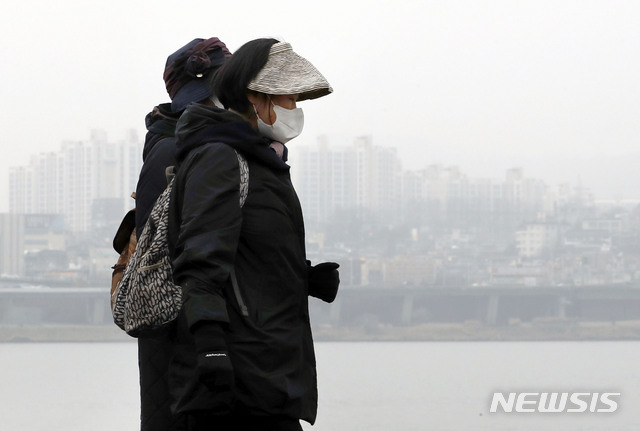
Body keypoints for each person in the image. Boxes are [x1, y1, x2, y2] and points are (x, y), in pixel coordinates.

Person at [166, 38, 340, 431]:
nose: (294, 108)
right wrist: (211, 348)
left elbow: (245, 248)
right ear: (254, 97)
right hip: (236, 382)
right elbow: (200, 261)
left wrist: (302, 275)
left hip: (268, 371)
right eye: (288, 97)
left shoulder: (262, 160)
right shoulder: (220, 158)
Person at [135, 37, 231, 431]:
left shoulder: (194, 146)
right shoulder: (176, 152)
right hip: (184, 337)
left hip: (197, 331)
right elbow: (176, 253)